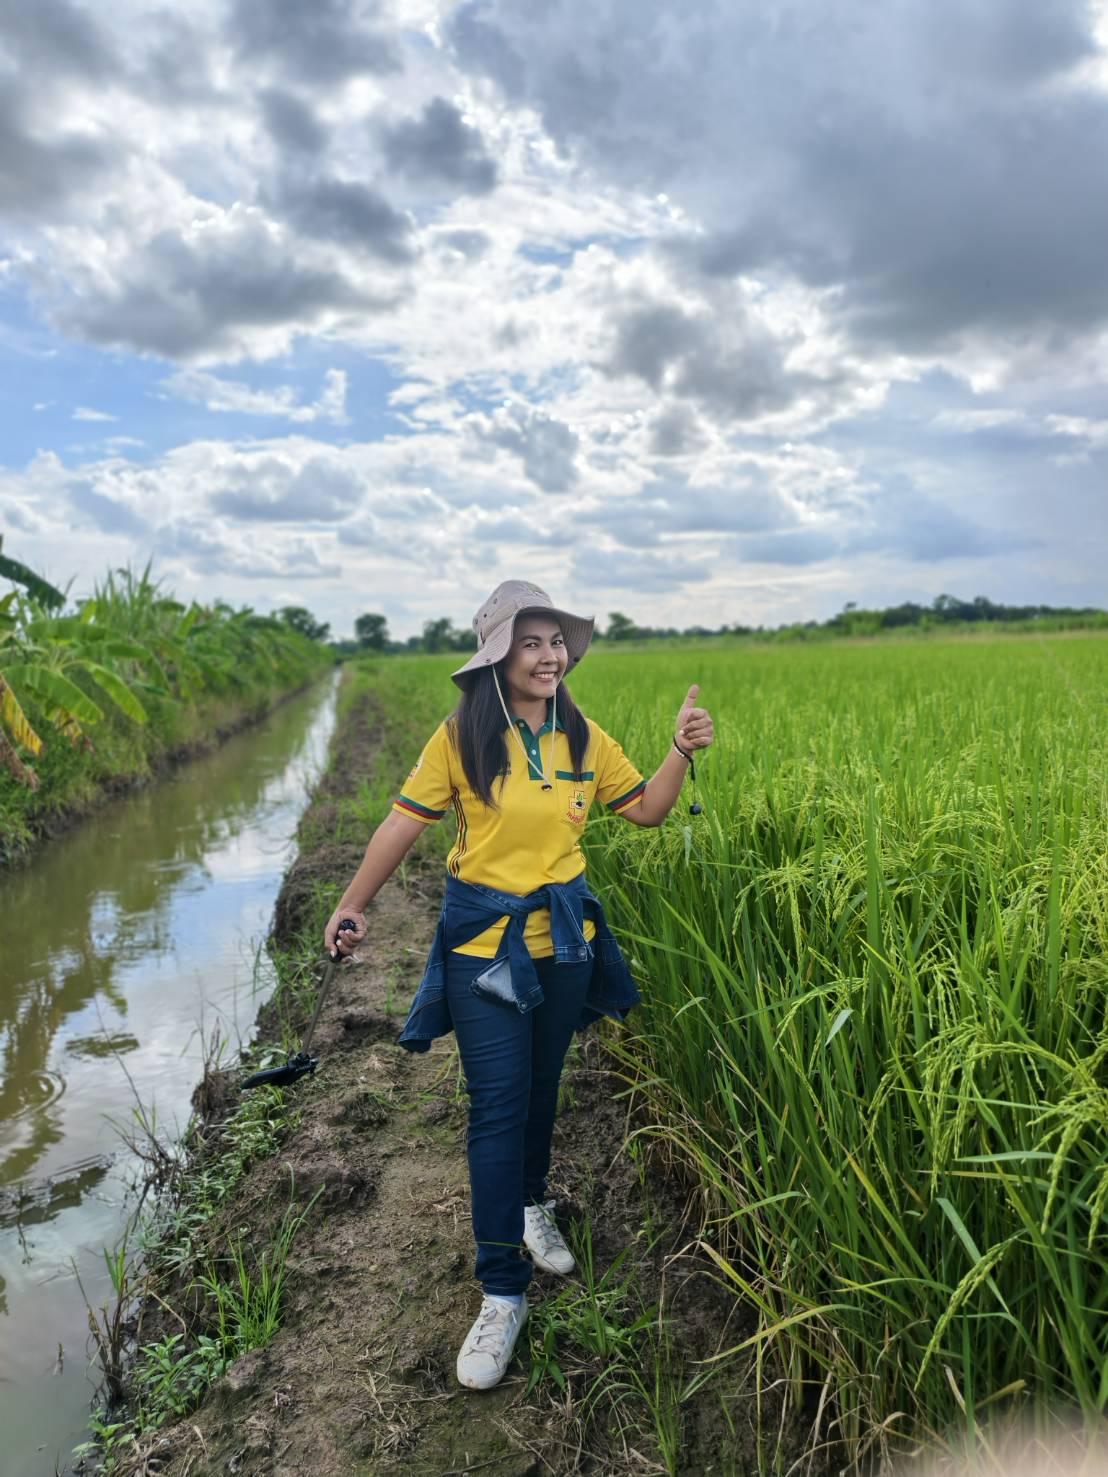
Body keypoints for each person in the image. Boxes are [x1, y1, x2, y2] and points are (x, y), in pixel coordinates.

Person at [323, 580, 714, 1391]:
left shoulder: (580, 733)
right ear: (497, 656)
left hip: (566, 942)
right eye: (530, 642)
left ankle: (532, 1205)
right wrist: (353, 904)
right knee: (497, 1106)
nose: (549, 655)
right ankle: (502, 1291)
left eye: (557, 641)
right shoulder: (462, 736)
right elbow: (403, 822)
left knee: (542, 1088)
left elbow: (643, 810)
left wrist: (680, 750)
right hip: (484, 947)